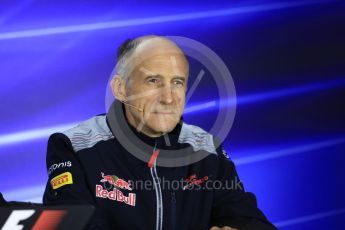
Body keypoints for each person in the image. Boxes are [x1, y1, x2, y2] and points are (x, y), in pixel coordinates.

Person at [43, 35, 276, 230]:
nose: (168, 98)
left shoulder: (206, 149)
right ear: (120, 89)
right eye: (153, 80)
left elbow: (251, 221)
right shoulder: (73, 146)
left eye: (177, 82)